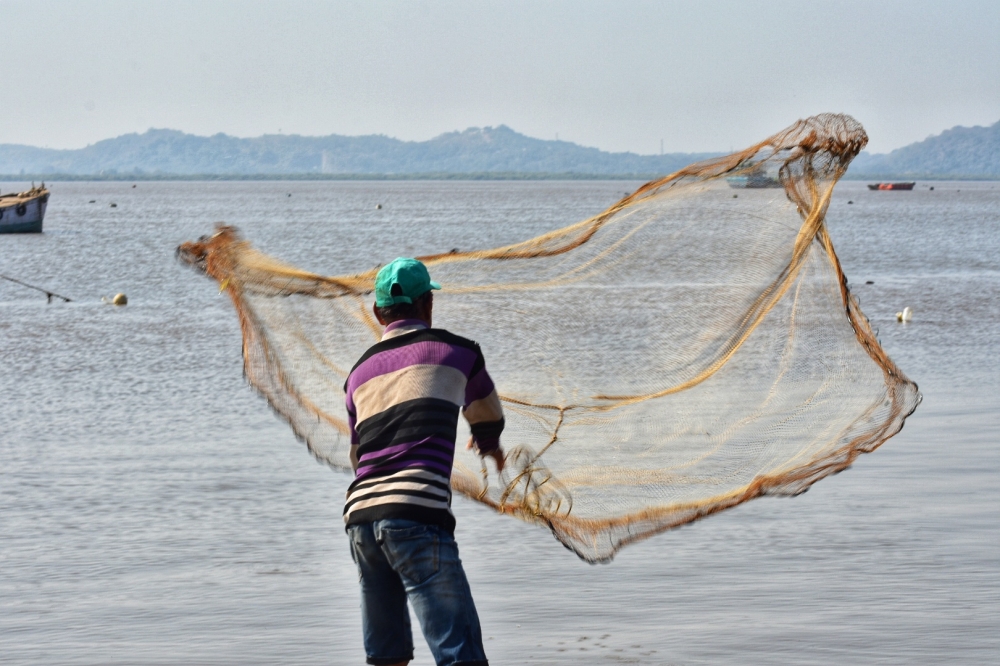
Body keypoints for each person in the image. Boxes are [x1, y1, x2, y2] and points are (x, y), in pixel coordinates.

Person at [343, 257, 505, 666]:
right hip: (416, 514)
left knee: (387, 657)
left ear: (378, 312)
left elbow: (357, 455)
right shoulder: (458, 352)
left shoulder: (358, 373)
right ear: (428, 304)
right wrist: (489, 444)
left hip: (361, 520)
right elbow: (486, 412)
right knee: (460, 655)